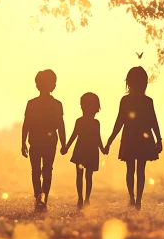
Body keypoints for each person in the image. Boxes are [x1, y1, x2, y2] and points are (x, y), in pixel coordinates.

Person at [105, 67, 162, 210]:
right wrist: (158, 140)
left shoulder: (128, 100)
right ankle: (136, 200)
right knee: (139, 170)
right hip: (141, 138)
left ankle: (134, 198)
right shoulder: (146, 101)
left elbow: (119, 122)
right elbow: (153, 122)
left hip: (131, 137)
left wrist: (110, 141)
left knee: (131, 169)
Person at [21, 69, 66, 212]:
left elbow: (26, 124)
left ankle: (40, 198)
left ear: (37, 85)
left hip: (36, 141)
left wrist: (23, 142)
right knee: (47, 171)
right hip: (48, 142)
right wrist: (63, 143)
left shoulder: (32, 103)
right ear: (54, 86)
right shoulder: (56, 104)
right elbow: (60, 125)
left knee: (36, 171)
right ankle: (42, 199)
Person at [61, 92, 106, 209]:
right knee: (88, 176)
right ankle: (86, 198)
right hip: (91, 151)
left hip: (81, 150)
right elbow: (97, 138)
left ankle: (81, 198)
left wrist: (66, 147)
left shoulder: (80, 121)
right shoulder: (95, 123)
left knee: (80, 175)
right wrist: (103, 149)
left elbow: (74, 135)